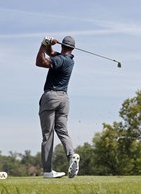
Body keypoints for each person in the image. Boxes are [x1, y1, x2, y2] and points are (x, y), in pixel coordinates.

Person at [36, 36, 80, 178]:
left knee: (47, 135)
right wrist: (49, 46)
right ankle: (71, 156)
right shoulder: (69, 60)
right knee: (62, 130)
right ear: (72, 48)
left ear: (62, 45)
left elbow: (40, 62)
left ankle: (47, 171)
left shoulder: (60, 60)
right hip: (64, 99)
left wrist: (43, 45)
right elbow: (52, 54)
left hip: (51, 97)